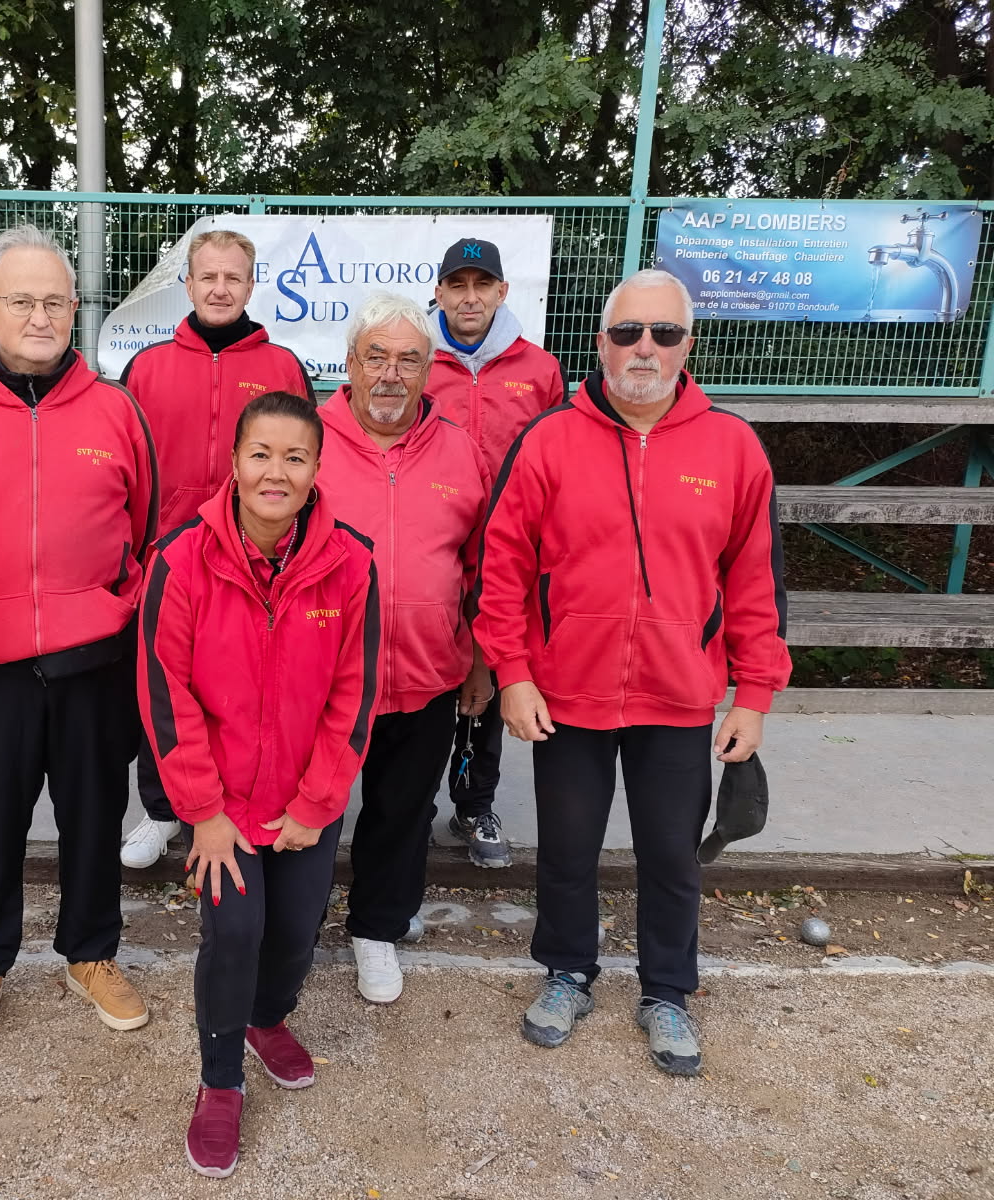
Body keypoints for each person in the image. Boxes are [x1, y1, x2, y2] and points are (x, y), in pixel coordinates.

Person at [473, 268, 791, 1076]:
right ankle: (567, 972)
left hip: (679, 693)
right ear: (601, 343)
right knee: (567, 849)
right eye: (627, 332)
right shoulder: (548, 439)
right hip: (565, 692)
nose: (644, 348)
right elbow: (501, 566)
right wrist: (512, 672)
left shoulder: (733, 447)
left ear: (688, 346)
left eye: (663, 333)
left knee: (672, 856)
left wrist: (753, 695)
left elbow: (756, 581)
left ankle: (668, 991)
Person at [0, 225, 158, 1056]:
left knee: (94, 819)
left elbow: (145, 525)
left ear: (76, 309)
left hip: (96, 663)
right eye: (22, 301)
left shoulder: (118, 411)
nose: (40, 317)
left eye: (54, 301)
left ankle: (91, 954)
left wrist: (109, 604)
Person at [138, 391, 379, 1178]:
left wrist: (316, 803)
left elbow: (355, 694)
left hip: (305, 799)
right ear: (235, 463)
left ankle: (266, 1019)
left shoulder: (352, 562)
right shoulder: (181, 558)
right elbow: (166, 693)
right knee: (235, 933)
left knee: (296, 931)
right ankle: (220, 1081)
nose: (277, 472)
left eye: (295, 457)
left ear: (317, 469)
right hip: (221, 806)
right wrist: (203, 813)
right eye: (261, 454)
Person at [315, 292, 494, 1004]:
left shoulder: (460, 448)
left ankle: (377, 928)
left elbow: (484, 566)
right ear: (350, 363)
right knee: (311, 807)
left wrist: (481, 659)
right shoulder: (307, 439)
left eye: (409, 360)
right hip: (322, 678)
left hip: (427, 671)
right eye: (377, 357)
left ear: (428, 370)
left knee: (402, 810)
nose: (391, 374)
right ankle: (294, 921)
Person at [116, 229, 313, 870]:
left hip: (255, 563)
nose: (220, 289)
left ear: (252, 285)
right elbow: (125, 472)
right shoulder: (147, 368)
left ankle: (233, 801)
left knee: (241, 689)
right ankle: (160, 809)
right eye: (208, 276)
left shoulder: (282, 367)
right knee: (163, 686)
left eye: (233, 277)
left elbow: (304, 467)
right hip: (169, 560)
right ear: (189, 283)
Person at [426, 237, 565, 870]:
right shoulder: (419, 360)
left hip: (509, 552)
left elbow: (560, 457)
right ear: (439, 293)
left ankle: (475, 803)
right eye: (458, 285)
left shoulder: (538, 368)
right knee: (430, 678)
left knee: (492, 674)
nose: (470, 297)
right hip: (433, 543)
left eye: (482, 285)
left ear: (503, 292)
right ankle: (415, 804)